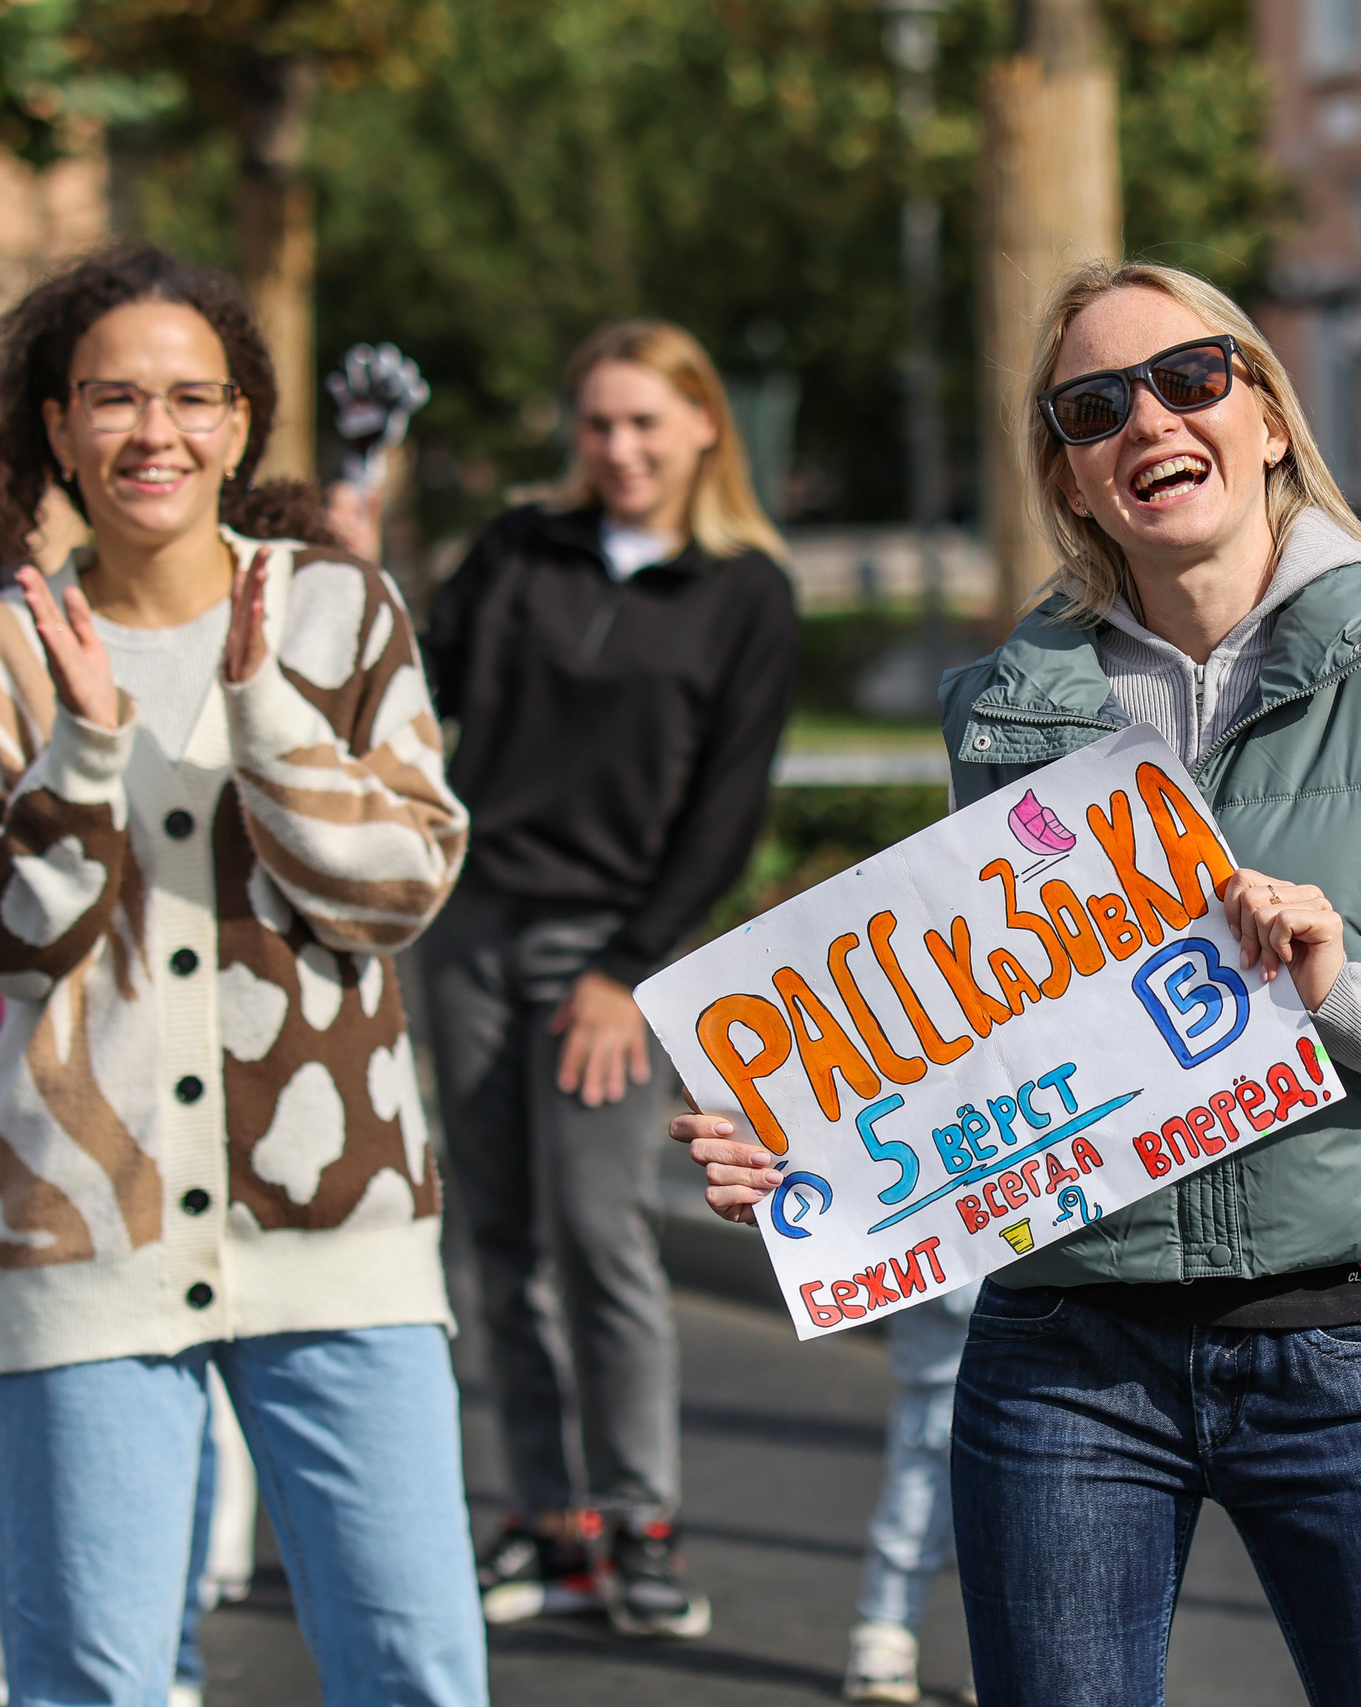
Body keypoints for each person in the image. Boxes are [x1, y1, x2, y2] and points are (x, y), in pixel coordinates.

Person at [678, 259, 1361, 1707]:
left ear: (1267, 413)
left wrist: (1337, 984)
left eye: (1191, 377)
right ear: (1071, 477)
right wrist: (805, 1148)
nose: (1149, 417)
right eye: (1095, 406)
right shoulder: (1007, 712)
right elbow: (977, 1041)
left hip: (1350, 1351)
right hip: (1062, 1354)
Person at [0, 242, 481, 1707]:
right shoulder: (1, 647)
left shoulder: (336, 616)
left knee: (412, 1666)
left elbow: (399, 889)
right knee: (89, 1680)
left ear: (240, 423)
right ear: (56, 424)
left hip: (340, 1228)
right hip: (81, 1241)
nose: (151, 433)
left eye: (189, 398)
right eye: (111, 398)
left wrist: (261, 711)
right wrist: (85, 747)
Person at [420, 320, 797, 1640]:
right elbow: (418, 682)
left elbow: (727, 807)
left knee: (600, 1231)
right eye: (598, 424)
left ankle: (639, 1517)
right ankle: (543, 1514)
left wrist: (628, 969)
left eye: (646, 421)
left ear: (704, 424)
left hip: (614, 951)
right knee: (499, 1242)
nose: (621, 448)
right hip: (471, 931)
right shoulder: (520, 551)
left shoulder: (747, 590)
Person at [842, 1279, 979, 1705]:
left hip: (1031, 1384)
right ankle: (885, 1632)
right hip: (932, 1376)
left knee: (1015, 1535)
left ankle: (1010, 1654)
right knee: (907, 1520)